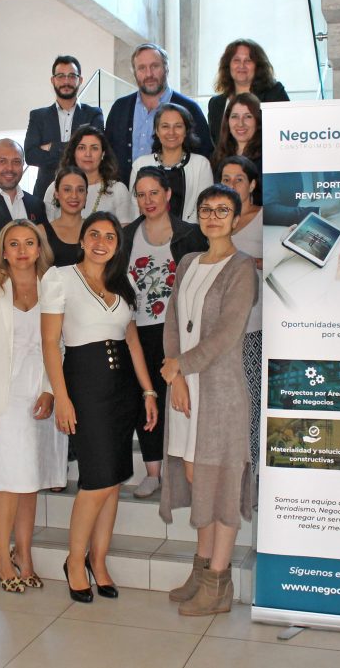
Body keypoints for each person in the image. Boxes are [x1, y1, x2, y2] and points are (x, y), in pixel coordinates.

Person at [41, 211, 158, 603]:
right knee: (95, 483)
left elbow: (132, 341)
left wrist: (148, 391)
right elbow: (49, 343)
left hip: (123, 389)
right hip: (84, 385)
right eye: (94, 234)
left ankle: (99, 559)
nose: (101, 242)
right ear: (82, 239)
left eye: (110, 236)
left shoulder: (123, 283)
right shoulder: (59, 278)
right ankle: (75, 561)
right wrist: (61, 397)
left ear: (117, 245)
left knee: (113, 482)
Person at [159, 184, 258, 616]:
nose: (213, 217)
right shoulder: (187, 263)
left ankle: (218, 583)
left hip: (220, 395)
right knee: (200, 483)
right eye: (206, 210)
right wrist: (175, 373)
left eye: (222, 210)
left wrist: (180, 367)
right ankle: (201, 571)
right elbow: (173, 322)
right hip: (185, 390)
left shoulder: (242, 268)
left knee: (220, 489)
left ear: (235, 219)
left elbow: (227, 334)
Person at [0, 220, 67, 593]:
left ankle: (24, 553)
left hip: (37, 395)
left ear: (40, 248)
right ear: (3, 250)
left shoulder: (51, 284)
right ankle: (2, 557)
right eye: (14, 244)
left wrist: (50, 390)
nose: (22, 250)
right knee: (8, 483)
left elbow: (59, 344)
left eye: (29, 243)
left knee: (29, 482)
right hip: (0, 398)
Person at [122, 167, 208, 498]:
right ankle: (152, 472)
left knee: (183, 398)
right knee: (146, 397)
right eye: (141, 195)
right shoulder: (127, 235)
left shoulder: (190, 234)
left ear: (168, 194)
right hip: (137, 330)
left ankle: (188, 470)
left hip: (179, 331)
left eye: (154, 193)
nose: (148, 200)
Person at [105, 42, 213, 186]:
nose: (149, 74)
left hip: (176, 194)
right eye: (142, 68)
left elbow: (204, 153)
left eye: (155, 66)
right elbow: (107, 153)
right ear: (134, 73)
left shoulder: (189, 108)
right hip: (124, 194)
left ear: (166, 68)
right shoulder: (120, 108)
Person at [217, 156, 263, 472]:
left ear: (252, 184)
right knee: (224, 400)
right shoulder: (216, 217)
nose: (232, 185)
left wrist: (253, 262)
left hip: (254, 323)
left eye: (239, 179)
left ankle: (251, 469)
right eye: (226, 179)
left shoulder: (264, 217)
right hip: (219, 327)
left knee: (251, 398)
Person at [24, 55, 104, 203]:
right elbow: (30, 155)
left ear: (80, 80)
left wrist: (52, 147)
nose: (66, 81)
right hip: (45, 195)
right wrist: (77, 149)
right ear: (53, 80)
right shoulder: (38, 116)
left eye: (72, 76)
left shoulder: (93, 114)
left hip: (84, 193)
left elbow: (94, 152)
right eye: (60, 76)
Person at [128, 103, 214, 223]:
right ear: (157, 131)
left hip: (191, 232)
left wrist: (183, 232)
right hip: (148, 232)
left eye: (178, 126)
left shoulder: (201, 164)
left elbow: (204, 207)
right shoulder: (140, 165)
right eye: (165, 126)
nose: (171, 132)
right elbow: (135, 209)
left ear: (186, 131)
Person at [43, 125, 136, 224]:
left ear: (103, 153)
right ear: (73, 153)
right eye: (82, 148)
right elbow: (46, 229)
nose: (88, 154)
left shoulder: (118, 190)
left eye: (94, 148)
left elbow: (125, 231)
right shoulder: (55, 188)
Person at [208, 39, 289, 145]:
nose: (242, 65)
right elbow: (216, 146)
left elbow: (285, 135)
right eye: (236, 60)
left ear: (258, 66)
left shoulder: (274, 94)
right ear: (228, 66)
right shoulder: (216, 104)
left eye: (248, 60)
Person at [39, 166, 88, 267]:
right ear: (56, 193)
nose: (74, 196)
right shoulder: (41, 232)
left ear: (86, 194)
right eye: (67, 190)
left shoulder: (95, 230)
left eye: (80, 190)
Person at [210, 93, 262, 180]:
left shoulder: (267, 159)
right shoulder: (218, 157)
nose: (240, 123)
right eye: (235, 116)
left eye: (248, 116)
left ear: (258, 121)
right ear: (227, 121)